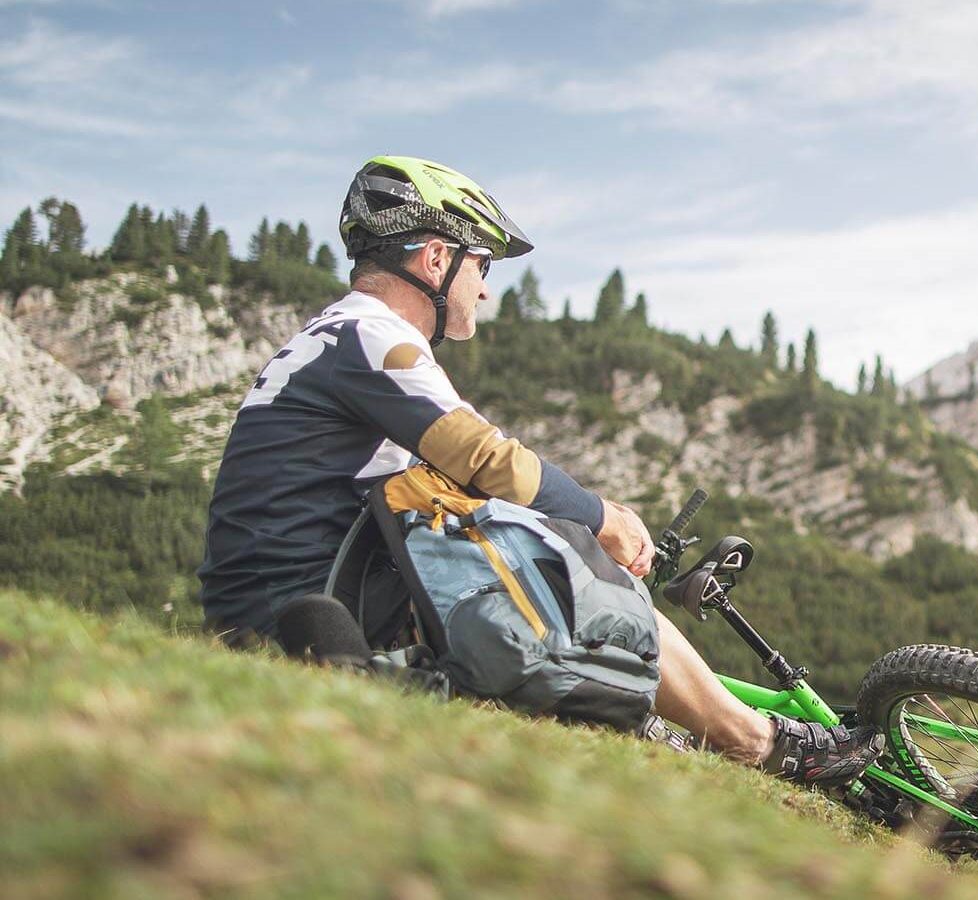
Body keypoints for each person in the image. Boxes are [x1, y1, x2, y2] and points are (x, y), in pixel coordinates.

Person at [197, 155, 877, 785]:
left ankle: (653, 717)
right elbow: (488, 460)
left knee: (523, 557)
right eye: (481, 266)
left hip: (282, 607)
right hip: (313, 610)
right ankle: (756, 743)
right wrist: (603, 519)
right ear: (436, 259)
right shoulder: (373, 336)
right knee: (583, 574)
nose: (485, 292)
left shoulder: (329, 337)